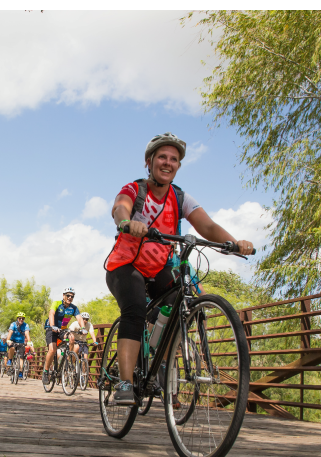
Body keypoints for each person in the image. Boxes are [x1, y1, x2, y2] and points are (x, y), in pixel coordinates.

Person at [104, 132, 254, 405]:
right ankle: (125, 383)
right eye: (162, 157)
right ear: (149, 162)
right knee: (135, 310)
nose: (168, 163)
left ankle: (159, 362)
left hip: (157, 268)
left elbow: (207, 226)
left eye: (173, 159)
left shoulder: (180, 197)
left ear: (178, 166)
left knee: (181, 301)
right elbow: (120, 207)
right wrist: (127, 222)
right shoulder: (135, 189)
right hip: (125, 266)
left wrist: (235, 243)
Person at [42, 287, 81, 386]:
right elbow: (51, 313)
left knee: (71, 337)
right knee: (52, 350)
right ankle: (46, 372)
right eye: (68, 295)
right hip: (51, 328)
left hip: (62, 330)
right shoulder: (56, 303)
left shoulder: (73, 308)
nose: (70, 297)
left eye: (72, 296)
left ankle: (68, 361)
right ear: (63, 296)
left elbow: (79, 318)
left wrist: (83, 328)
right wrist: (52, 326)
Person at [4, 312, 32, 380]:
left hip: (21, 342)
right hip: (13, 341)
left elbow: (27, 334)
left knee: (21, 357)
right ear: (17, 318)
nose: (21, 320)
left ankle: (20, 372)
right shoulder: (13, 324)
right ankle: (10, 360)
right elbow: (10, 332)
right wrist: (8, 340)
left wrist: (29, 342)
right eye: (20, 318)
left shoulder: (26, 325)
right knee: (12, 348)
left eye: (23, 318)